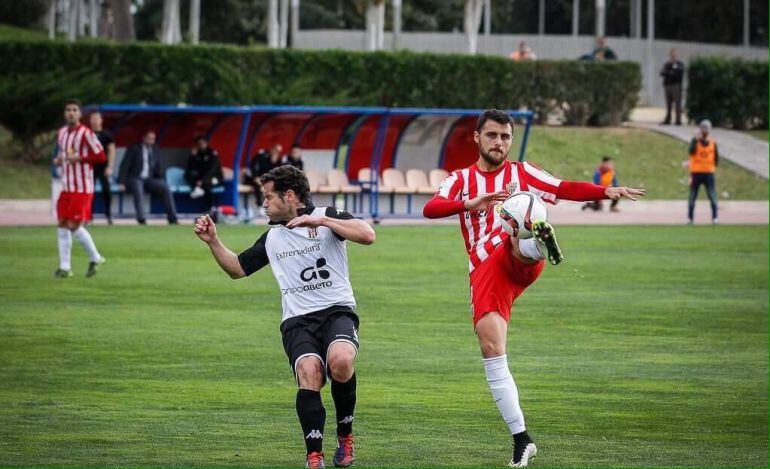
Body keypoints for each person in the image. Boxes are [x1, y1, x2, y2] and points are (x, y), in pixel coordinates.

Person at [422, 109, 644, 467]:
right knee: (492, 349)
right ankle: (522, 439)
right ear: (477, 137)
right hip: (485, 270)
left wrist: (606, 190)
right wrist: (469, 203)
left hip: (512, 258)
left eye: (505, 137)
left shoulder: (522, 172)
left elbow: (563, 187)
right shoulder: (460, 179)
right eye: (492, 135)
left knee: (521, 213)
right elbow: (431, 208)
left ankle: (536, 239)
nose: (499, 143)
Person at [194, 165, 375, 469]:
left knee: (341, 361)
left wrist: (321, 220)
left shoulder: (327, 214)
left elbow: (368, 235)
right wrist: (213, 241)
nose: (263, 203)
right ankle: (313, 455)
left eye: (268, 197)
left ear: (289, 195)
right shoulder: (273, 238)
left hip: (336, 311)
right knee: (309, 372)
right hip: (298, 320)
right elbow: (237, 269)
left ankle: (345, 435)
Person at [54, 100, 107, 278]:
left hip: (82, 187)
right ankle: (65, 267)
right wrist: (60, 160)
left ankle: (96, 257)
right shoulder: (61, 133)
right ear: (64, 113)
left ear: (80, 114)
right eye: (68, 109)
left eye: (74, 110)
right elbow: (64, 154)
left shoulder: (86, 133)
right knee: (62, 223)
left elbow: (100, 156)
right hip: (67, 186)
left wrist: (81, 159)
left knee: (74, 225)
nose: (71, 113)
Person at [118, 130, 179, 225]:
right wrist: (121, 182)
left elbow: (158, 167)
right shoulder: (134, 148)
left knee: (165, 187)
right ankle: (141, 218)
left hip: (149, 179)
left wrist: (160, 178)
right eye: (149, 138)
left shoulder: (155, 149)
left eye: (153, 139)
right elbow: (125, 165)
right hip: (135, 178)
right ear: (144, 138)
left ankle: (173, 218)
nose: (151, 141)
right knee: (138, 187)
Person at [686, 119, 719, 224]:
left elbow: (716, 158)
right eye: (703, 127)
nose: (705, 130)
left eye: (707, 128)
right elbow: (690, 151)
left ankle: (715, 218)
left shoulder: (713, 142)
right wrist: (696, 140)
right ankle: (690, 219)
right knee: (692, 196)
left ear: (710, 129)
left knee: (712, 195)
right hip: (696, 173)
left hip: (709, 173)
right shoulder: (695, 141)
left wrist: (713, 168)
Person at [88, 111, 116, 224]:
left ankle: (108, 214)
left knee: (106, 191)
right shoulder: (87, 134)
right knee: (89, 192)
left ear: (101, 120)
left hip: (103, 167)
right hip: (89, 168)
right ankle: (89, 215)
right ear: (90, 120)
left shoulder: (107, 135)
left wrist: (110, 166)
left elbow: (111, 150)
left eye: (97, 118)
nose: (95, 121)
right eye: (92, 118)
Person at [185, 135, 224, 215]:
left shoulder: (212, 153)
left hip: (215, 178)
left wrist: (202, 181)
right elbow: (191, 167)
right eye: (199, 144)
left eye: (202, 143)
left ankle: (211, 208)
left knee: (206, 184)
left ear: (206, 143)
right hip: (201, 178)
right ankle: (199, 188)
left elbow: (212, 170)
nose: (201, 145)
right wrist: (193, 156)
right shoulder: (198, 154)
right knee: (187, 175)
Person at [660, 48, 685, 125]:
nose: (673, 56)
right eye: (672, 54)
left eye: (674, 54)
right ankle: (668, 119)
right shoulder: (667, 64)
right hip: (668, 86)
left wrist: (670, 73)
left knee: (677, 104)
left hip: (676, 86)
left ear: (676, 55)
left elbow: (678, 74)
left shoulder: (679, 64)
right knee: (668, 104)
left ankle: (678, 120)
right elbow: (662, 73)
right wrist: (670, 73)